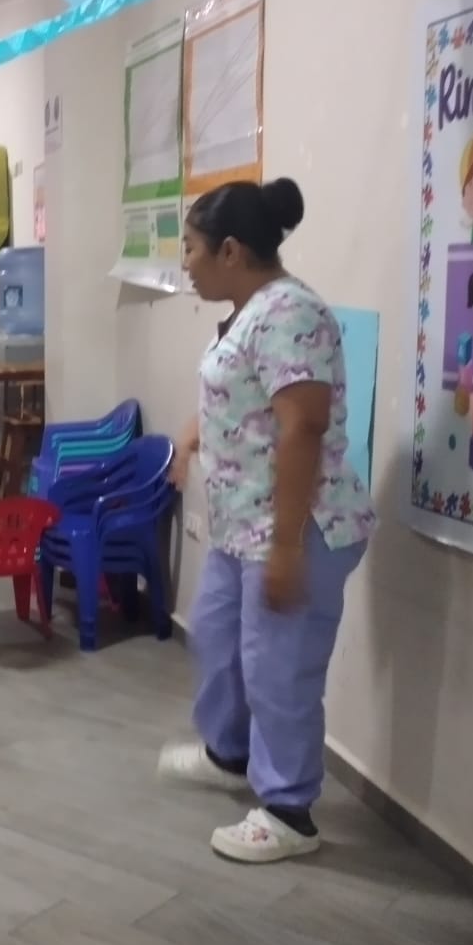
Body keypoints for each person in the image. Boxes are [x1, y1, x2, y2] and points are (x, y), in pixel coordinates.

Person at [157, 178, 375, 864]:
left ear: (230, 250)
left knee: (279, 670)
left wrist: (287, 549)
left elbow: (303, 426)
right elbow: (244, 394)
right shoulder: (249, 311)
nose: (185, 264)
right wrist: (192, 435)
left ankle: (288, 812)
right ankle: (230, 754)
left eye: (191, 249)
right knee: (218, 637)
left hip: (297, 528)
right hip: (240, 527)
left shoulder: (290, 313)